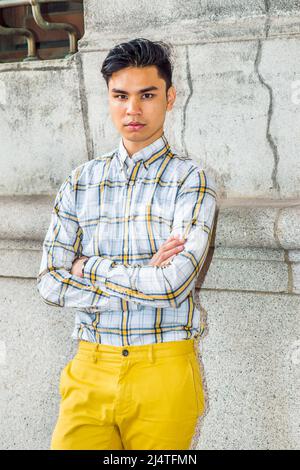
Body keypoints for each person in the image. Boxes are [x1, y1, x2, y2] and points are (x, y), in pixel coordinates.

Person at [36, 37, 217, 450]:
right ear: (109, 99)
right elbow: (48, 282)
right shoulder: (80, 180)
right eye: (120, 96)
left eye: (146, 95)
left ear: (169, 98)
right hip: (89, 365)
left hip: (164, 369)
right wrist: (143, 278)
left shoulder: (191, 179)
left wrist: (89, 267)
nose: (132, 109)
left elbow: (173, 285)